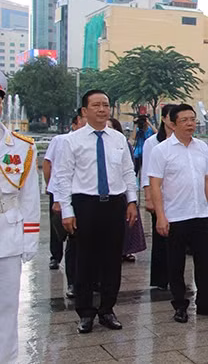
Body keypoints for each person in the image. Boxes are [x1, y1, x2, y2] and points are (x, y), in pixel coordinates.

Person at [54, 89, 139, 334]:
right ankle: (86, 312)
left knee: (112, 260)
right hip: (85, 204)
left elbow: (127, 172)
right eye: (96, 105)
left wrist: (131, 201)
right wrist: (67, 211)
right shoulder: (72, 140)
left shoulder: (118, 139)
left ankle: (107, 309)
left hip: (114, 204)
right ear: (84, 111)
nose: (102, 109)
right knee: (85, 260)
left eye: (106, 105)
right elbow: (62, 177)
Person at [149, 104, 208, 323]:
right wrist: (161, 216)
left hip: (200, 214)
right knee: (176, 264)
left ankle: (205, 303)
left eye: (193, 119)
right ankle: (180, 305)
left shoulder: (202, 147)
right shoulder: (161, 150)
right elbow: (155, 184)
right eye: (185, 120)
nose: (191, 123)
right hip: (175, 216)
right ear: (173, 123)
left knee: (203, 261)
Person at [0, 73, 40, 362]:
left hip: (7, 235)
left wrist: (30, 239)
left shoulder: (22, 147)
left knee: (6, 307)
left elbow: (29, 197)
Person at [43, 111, 85, 299]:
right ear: (75, 123)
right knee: (64, 234)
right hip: (61, 193)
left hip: (85, 197)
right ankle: (58, 261)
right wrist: (54, 193)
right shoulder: (61, 141)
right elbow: (51, 166)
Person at [141, 104, 177, 291]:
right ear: (164, 119)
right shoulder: (152, 143)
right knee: (161, 238)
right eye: (172, 118)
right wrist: (148, 199)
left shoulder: (187, 141)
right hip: (160, 197)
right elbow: (147, 173)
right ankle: (161, 278)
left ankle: (176, 276)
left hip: (180, 199)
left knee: (177, 239)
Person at [109, 117, 146, 263]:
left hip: (122, 191)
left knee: (127, 224)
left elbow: (128, 170)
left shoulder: (122, 145)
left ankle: (125, 250)